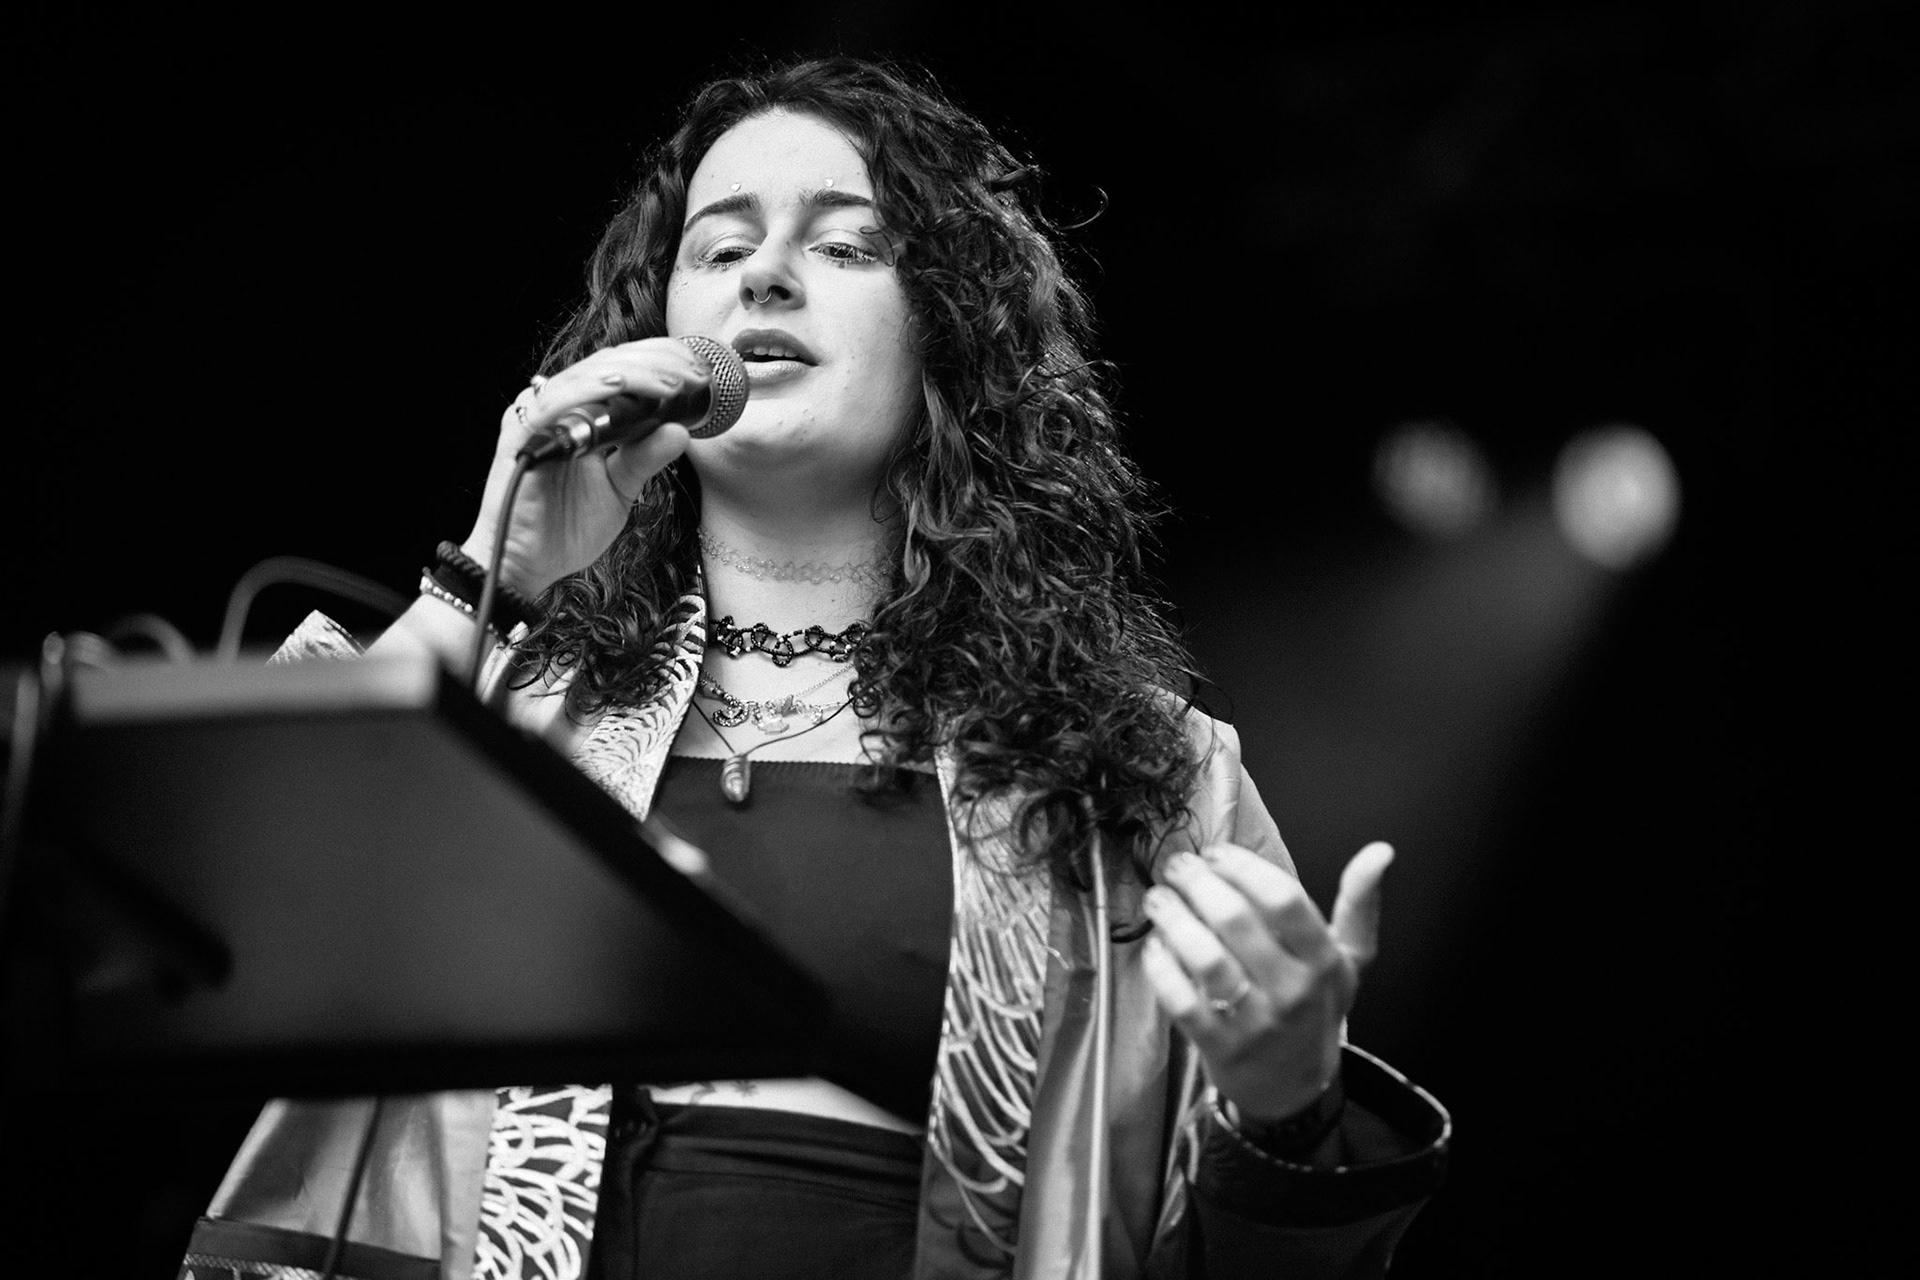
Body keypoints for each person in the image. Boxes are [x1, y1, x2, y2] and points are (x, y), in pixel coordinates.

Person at [181, 56, 1448, 1280]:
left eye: (844, 246)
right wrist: (490, 574)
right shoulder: (510, 706)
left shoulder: (1142, 773)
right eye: (720, 249)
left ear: (948, 331)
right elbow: (232, 913)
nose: (767, 277)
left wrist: (1289, 1106)